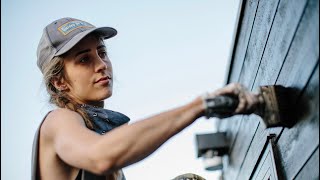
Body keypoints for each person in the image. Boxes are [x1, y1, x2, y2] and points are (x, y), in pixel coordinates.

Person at [31, 17, 260, 180]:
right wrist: (202, 105)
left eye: (102, 53)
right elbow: (101, 156)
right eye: (83, 59)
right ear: (59, 82)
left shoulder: (94, 129)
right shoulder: (59, 121)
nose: (101, 65)